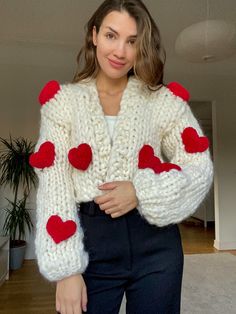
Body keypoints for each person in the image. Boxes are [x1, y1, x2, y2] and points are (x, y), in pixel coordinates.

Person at [30, 0, 213, 313]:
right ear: (94, 35)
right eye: (112, 36)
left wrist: (141, 191)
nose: (120, 52)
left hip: (156, 243)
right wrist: (66, 268)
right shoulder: (63, 103)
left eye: (132, 42)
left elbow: (199, 167)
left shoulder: (162, 101)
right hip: (89, 239)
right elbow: (54, 181)